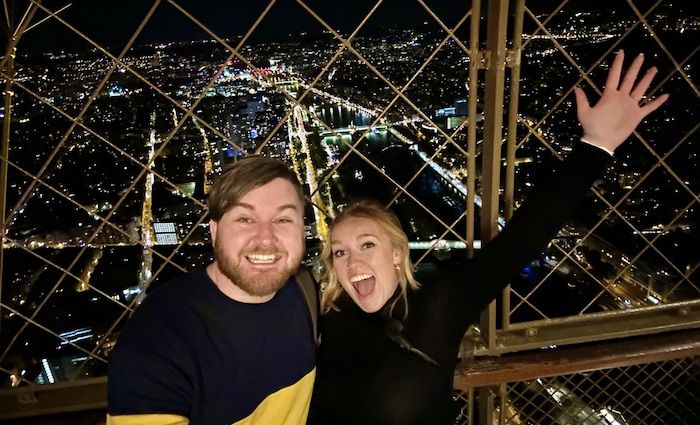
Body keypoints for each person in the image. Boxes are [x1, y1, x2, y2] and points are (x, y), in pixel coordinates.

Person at [309, 51, 669, 424]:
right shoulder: (328, 318)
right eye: (339, 253)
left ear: (398, 253)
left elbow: (520, 242)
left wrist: (596, 146)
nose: (352, 261)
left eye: (367, 244)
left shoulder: (439, 304)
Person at [107, 156, 317, 425]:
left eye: (283, 220)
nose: (266, 238)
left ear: (302, 230)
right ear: (215, 232)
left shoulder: (304, 289)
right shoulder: (155, 343)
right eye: (245, 219)